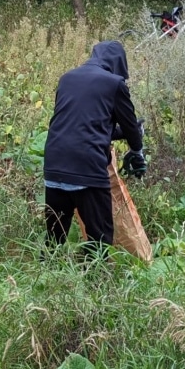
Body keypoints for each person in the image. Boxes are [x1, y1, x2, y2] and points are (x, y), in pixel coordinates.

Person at [43, 40, 146, 255]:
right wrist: (137, 149)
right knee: (99, 239)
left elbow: (81, 124)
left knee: (54, 237)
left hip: (54, 164)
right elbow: (130, 128)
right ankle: (95, 276)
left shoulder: (67, 78)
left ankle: (45, 272)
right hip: (87, 167)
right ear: (119, 64)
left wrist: (122, 132)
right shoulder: (115, 84)